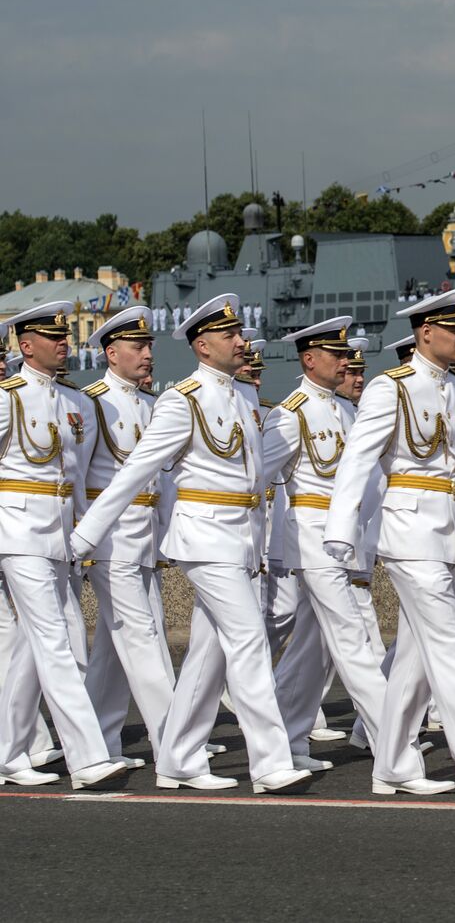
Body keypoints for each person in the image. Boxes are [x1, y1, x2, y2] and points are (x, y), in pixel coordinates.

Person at [73, 294, 311, 794]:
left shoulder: (243, 398)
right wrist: (87, 533)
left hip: (239, 538)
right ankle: (270, 763)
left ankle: (178, 756)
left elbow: (253, 476)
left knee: (210, 652)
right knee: (247, 640)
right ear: (203, 346)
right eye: (231, 336)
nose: (242, 342)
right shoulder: (182, 400)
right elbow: (135, 472)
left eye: (240, 334)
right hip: (204, 537)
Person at [324, 287, 455, 799]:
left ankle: (392, 765)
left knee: (417, 658)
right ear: (425, 333)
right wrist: (340, 529)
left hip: (448, 535)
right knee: (449, 644)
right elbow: (357, 462)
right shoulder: (388, 388)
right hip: (407, 530)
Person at [0, 302, 128, 790]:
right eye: (52, 338)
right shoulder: (7, 396)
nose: (64, 343)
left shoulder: (75, 403)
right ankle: (87, 758)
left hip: (58, 534)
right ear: (25, 346)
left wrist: (79, 534)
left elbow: (75, 477)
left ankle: (10, 753)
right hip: (16, 530)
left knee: (34, 649)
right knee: (54, 640)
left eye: (65, 336)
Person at [262, 317, 391, 776]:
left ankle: (285, 740)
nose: (346, 362)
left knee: (312, 650)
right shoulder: (290, 414)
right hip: (311, 535)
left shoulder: (349, 411)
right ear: (310, 359)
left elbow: (372, 483)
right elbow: (258, 482)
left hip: (346, 536)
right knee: (351, 639)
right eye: (336, 355)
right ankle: (396, 749)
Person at [78, 307, 176, 767]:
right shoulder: (92, 403)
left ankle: (100, 741)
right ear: (111, 353)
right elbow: (75, 478)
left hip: (145, 539)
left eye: (149, 346)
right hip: (109, 540)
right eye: (138, 347)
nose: (148, 354)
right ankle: (175, 744)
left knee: (114, 652)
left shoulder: (152, 404)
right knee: (143, 638)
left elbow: (162, 481)